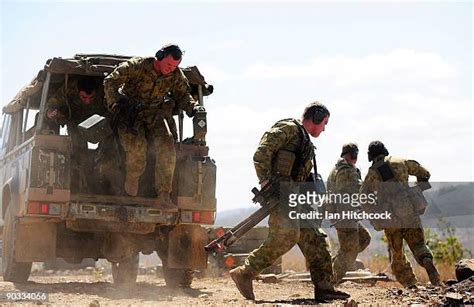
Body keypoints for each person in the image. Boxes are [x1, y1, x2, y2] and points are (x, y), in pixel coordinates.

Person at [229, 102, 350, 301]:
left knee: (316, 239)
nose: (324, 128)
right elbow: (261, 153)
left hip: (295, 198)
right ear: (316, 118)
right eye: (324, 123)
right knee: (285, 237)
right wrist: (265, 182)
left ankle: (325, 287)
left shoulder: (303, 140)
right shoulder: (290, 129)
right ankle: (244, 272)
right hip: (281, 196)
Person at [103, 44, 201, 207]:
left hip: (155, 113)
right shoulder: (137, 66)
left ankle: (163, 194)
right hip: (130, 112)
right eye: (169, 65)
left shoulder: (176, 75)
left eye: (175, 66)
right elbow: (110, 80)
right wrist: (115, 105)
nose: (171, 69)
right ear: (159, 57)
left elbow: (184, 95)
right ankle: (132, 181)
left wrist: (194, 108)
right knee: (137, 147)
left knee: (167, 146)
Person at [360, 141, 441, 287]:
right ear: (384, 150)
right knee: (419, 245)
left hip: (390, 217)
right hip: (408, 209)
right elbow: (425, 173)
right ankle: (430, 267)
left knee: (397, 254)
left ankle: (411, 285)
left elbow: (363, 196)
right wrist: (418, 190)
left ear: (371, 155)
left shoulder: (372, 172)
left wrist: (374, 214)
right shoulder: (401, 161)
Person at [46, 76, 107, 192]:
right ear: (77, 92)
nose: (88, 101)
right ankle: (77, 184)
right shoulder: (68, 90)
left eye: (91, 97)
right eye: (84, 97)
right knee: (77, 149)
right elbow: (51, 106)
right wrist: (51, 113)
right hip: (75, 120)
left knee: (109, 148)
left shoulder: (103, 90)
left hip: (98, 119)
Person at [326, 143, 371, 283]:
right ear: (352, 155)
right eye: (355, 155)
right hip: (345, 216)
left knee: (364, 238)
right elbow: (359, 190)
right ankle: (331, 281)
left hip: (344, 215)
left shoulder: (337, 168)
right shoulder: (347, 171)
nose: (356, 158)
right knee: (349, 252)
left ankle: (332, 265)